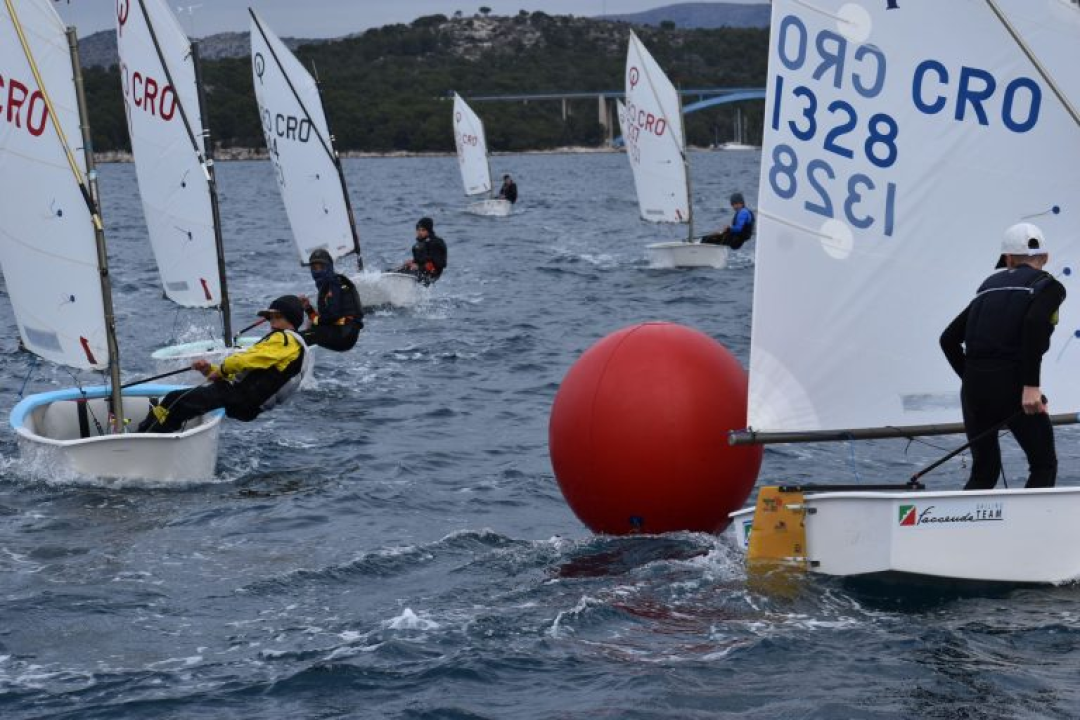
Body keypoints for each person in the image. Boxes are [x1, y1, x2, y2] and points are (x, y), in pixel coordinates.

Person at [939, 222, 1066, 490]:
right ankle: (1030, 530)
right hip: (1014, 388)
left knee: (984, 473)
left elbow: (948, 339)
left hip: (974, 390)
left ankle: (963, 529)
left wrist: (973, 379)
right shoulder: (1050, 287)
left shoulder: (986, 287)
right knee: (1043, 464)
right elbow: (1033, 323)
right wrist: (1031, 387)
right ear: (1045, 257)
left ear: (1008, 259)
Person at [137, 296, 313, 433]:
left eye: (277, 317)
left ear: (290, 318)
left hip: (240, 398)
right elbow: (245, 373)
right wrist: (209, 370)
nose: (272, 322)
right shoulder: (288, 344)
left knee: (175, 399)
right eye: (270, 318)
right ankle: (160, 433)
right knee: (181, 403)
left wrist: (220, 370)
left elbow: (243, 360)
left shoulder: (284, 339)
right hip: (246, 404)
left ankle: (147, 438)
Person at [299, 248, 364, 352]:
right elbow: (328, 318)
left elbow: (332, 316)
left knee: (297, 339)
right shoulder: (330, 283)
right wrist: (308, 308)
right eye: (314, 268)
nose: (318, 271)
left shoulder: (334, 284)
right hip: (342, 333)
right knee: (308, 328)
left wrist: (313, 323)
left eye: (322, 267)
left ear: (329, 267)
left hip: (343, 335)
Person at [395, 217, 447, 285]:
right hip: (421, 271)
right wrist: (412, 262)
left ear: (429, 231)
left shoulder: (436, 243)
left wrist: (419, 267)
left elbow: (439, 264)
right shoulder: (419, 245)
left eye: (423, 230)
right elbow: (421, 260)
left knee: (405, 273)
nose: (420, 232)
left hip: (430, 275)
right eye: (418, 230)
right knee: (395, 270)